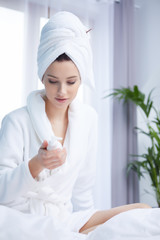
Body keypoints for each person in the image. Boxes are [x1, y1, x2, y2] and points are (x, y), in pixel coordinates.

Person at [0, 11, 150, 235]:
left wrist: (92, 227)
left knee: (142, 211)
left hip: (64, 218)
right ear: (42, 76)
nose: (62, 92)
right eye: (53, 81)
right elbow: (2, 193)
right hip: (24, 219)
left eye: (71, 82)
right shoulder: (15, 121)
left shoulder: (88, 120)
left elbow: (82, 192)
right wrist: (37, 163)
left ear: (82, 78)